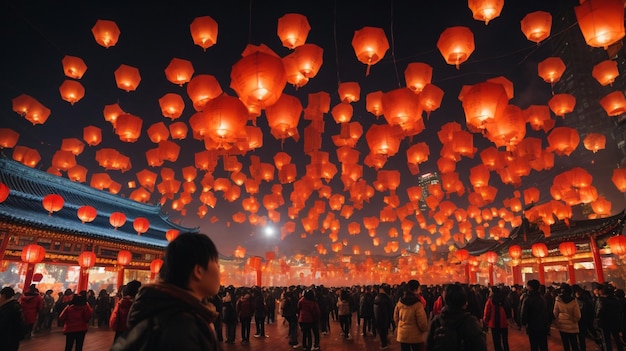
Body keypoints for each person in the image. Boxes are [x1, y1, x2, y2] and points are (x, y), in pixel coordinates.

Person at [110, 232, 222, 351]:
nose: (219, 270)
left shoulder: (165, 312)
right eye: (216, 263)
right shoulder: (181, 329)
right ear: (198, 271)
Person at [426, 283, 487, 351]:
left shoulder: (437, 321)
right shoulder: (470, 322)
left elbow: (429, 345)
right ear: (464, 302)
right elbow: (480, 346)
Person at [394, 279, 429, 351]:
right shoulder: (417, 304)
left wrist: (400, 326)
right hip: (415, 337)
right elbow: (422, 322)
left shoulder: (400, 302)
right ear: (415, 289)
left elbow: (395, 317)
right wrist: (425, 329)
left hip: (403, 335)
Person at [521, 279, 550, 351]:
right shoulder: (542, 297)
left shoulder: (527, 299)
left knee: (534, 346)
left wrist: (523, 323)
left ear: (530, 287)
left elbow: (524, 313)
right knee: (543, 346)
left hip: (532, 327)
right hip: (543, 326)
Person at [553, 283, 581, 351]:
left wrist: (559, 318)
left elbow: (555, 312)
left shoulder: (558, 300)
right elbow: (578, 316)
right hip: (572, 326)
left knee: (566, 344)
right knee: (574, 344)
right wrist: (573, 319)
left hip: (562, 325)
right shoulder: (574, 301)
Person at [483, 286, 510, 351]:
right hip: (503, 323)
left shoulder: (490, 300)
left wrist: (485, 321)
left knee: (496, 341)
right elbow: (508, 309)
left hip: (494, 323)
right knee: (505, 340)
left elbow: (487, 312)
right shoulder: (504, 299)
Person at [0, 286, 25, 351]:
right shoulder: (14, 305)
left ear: (3, 296)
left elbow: (3, 326)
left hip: (6, 341)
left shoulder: (9, 308)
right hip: (11, 341)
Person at [374, 284, 394, 349]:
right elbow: (391, 308)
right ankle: (384, 342)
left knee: (382, 331)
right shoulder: (389, 298)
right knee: (384, 331)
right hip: (385, 318)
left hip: (380, 317)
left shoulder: (379, 297)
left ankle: (384, 344)